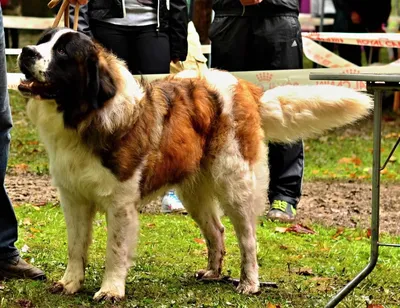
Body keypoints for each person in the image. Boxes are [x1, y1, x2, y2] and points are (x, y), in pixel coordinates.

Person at [209, 0, 304, 222]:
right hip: (230, 19)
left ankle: (285, 194)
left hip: (279, 18)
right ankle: (227, 191)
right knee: (227, 109)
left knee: (284, 106)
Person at [332, 0, 391, 66]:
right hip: (347, 25)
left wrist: (379, 25)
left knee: (373, 61)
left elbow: (385, 4)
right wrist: (351, 12)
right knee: (350, 62)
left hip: (371, 25)